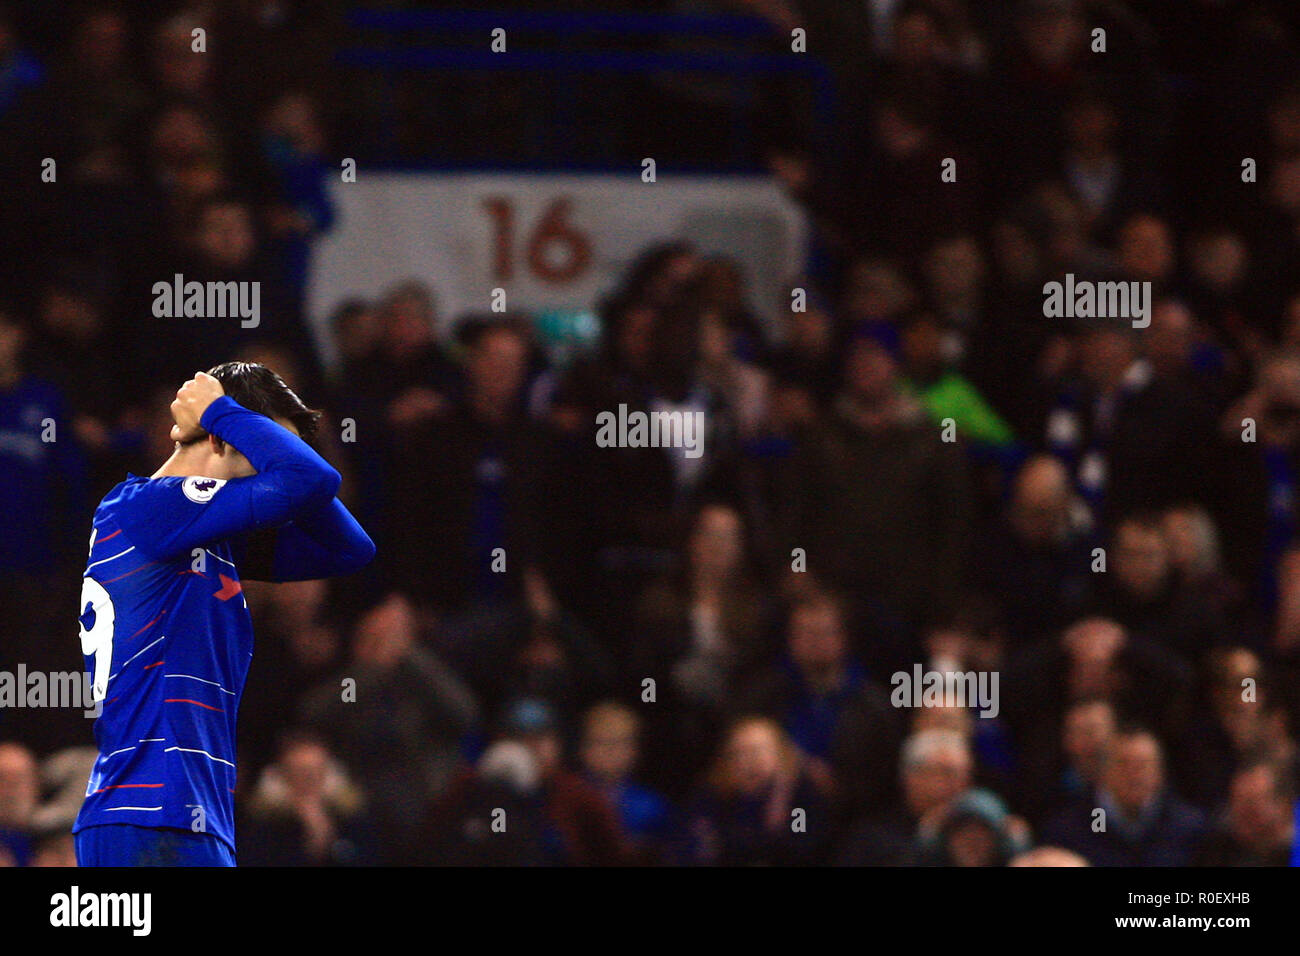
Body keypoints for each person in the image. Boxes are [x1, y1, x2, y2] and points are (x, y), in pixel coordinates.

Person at [72, 362, 374, 867]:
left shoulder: (200, 535)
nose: (273, 464)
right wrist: (219, 411)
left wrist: (229, 420)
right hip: (158, 817)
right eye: (267, 447)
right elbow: (311, 476)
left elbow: (352, 550)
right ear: (222, 439)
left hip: (160, 820)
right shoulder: (152, 508)